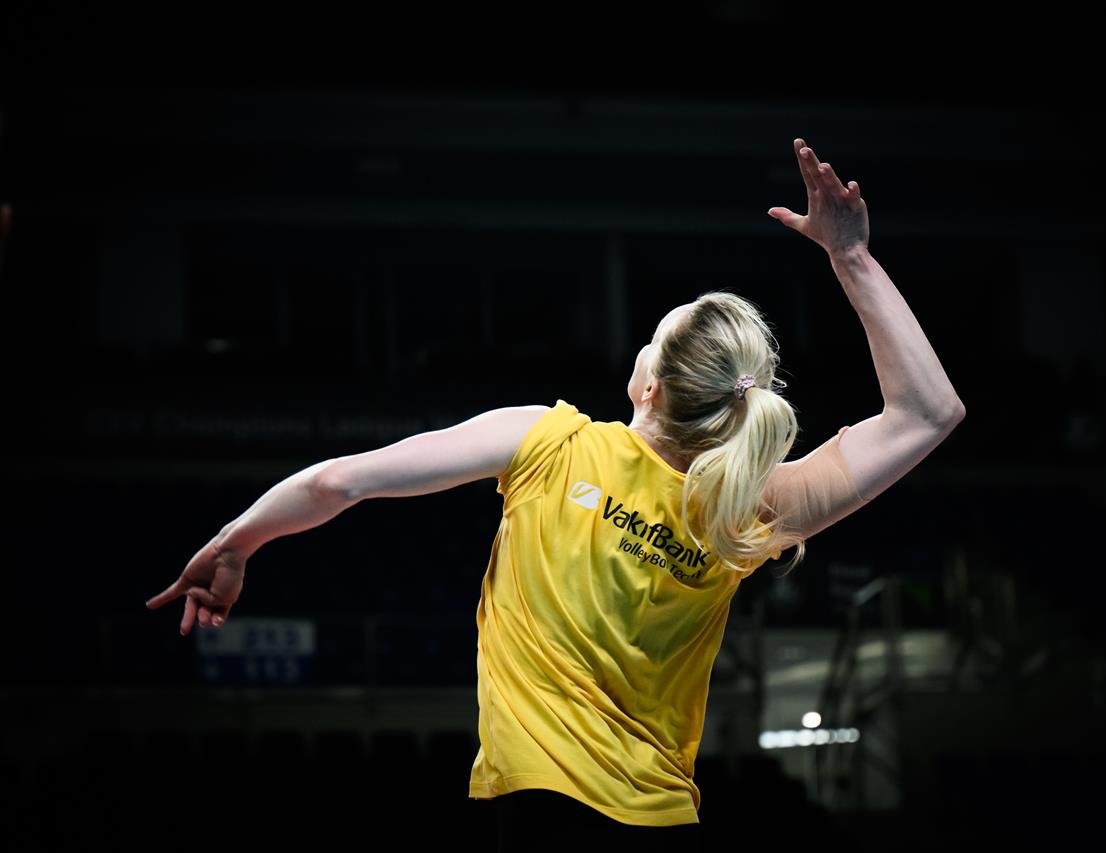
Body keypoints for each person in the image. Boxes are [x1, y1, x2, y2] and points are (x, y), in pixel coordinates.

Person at [145, 138, 966, 849]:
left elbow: (340, 480)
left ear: (650, 385)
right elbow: (929, 413)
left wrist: (239, 539)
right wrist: (852, 258)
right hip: (663, 818)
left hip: (543, 811)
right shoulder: (749, 509)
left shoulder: (550, 440)